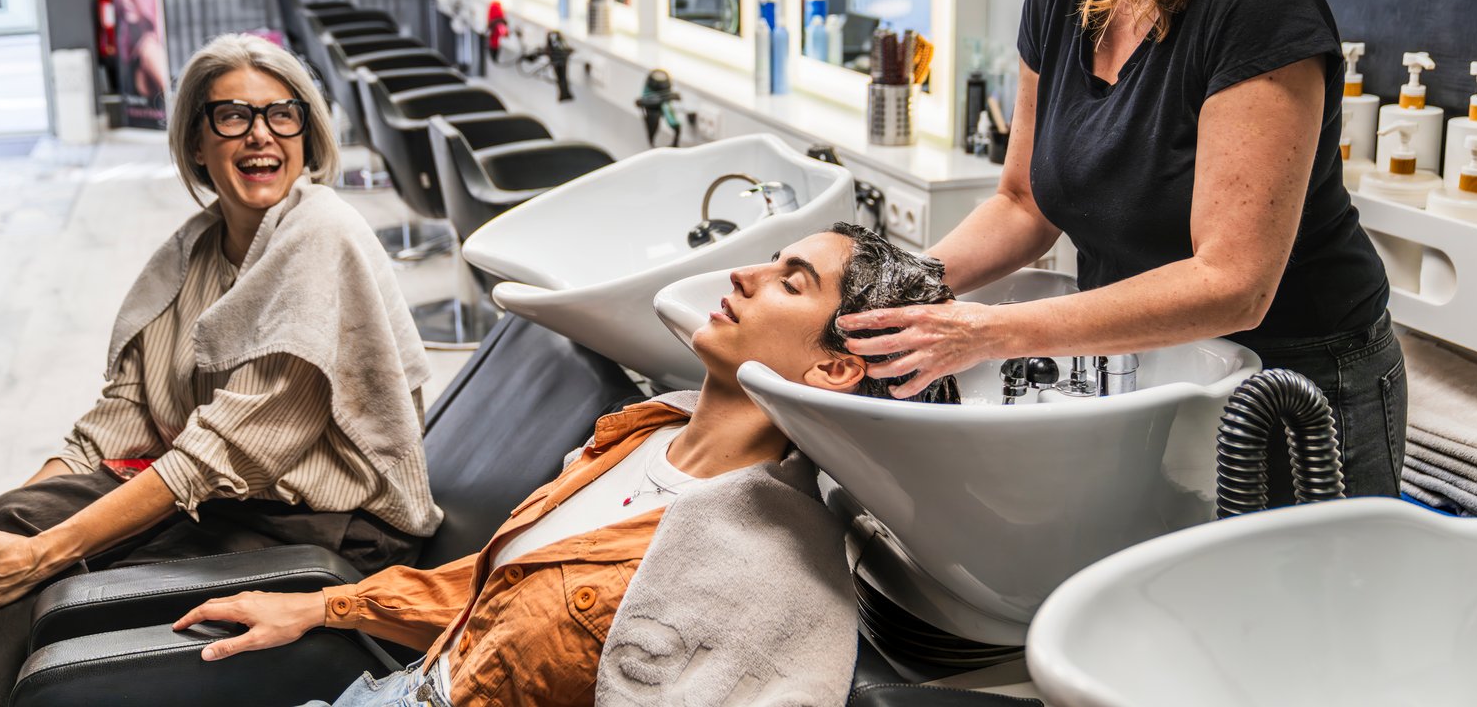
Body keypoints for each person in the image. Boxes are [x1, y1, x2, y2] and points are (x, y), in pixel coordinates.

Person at [838, 0, 1405, 505]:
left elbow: (1233, 281)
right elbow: (1022, 199)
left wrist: (989, 331)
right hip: (1151, 361)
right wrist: (908, 290)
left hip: (1295, 385)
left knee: (1302, 619)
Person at [171, 224, 960, 707]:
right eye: (771, 261)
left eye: (791, 282)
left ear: (834, 369)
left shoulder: (769, 563)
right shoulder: (640, 433)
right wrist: (322, 608)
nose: (744, 276)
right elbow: (495, 586)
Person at [0, 33, 439, 707]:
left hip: (326, 528)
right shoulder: (194, 251)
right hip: (232, 502)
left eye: (283, 115)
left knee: (39, 573)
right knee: (12, 520)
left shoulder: (321, 238)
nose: (262, 136)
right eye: (233, 116)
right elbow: (123, 416)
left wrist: (39, 557)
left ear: (307, 135)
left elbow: (217, 454)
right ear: (196, 141)